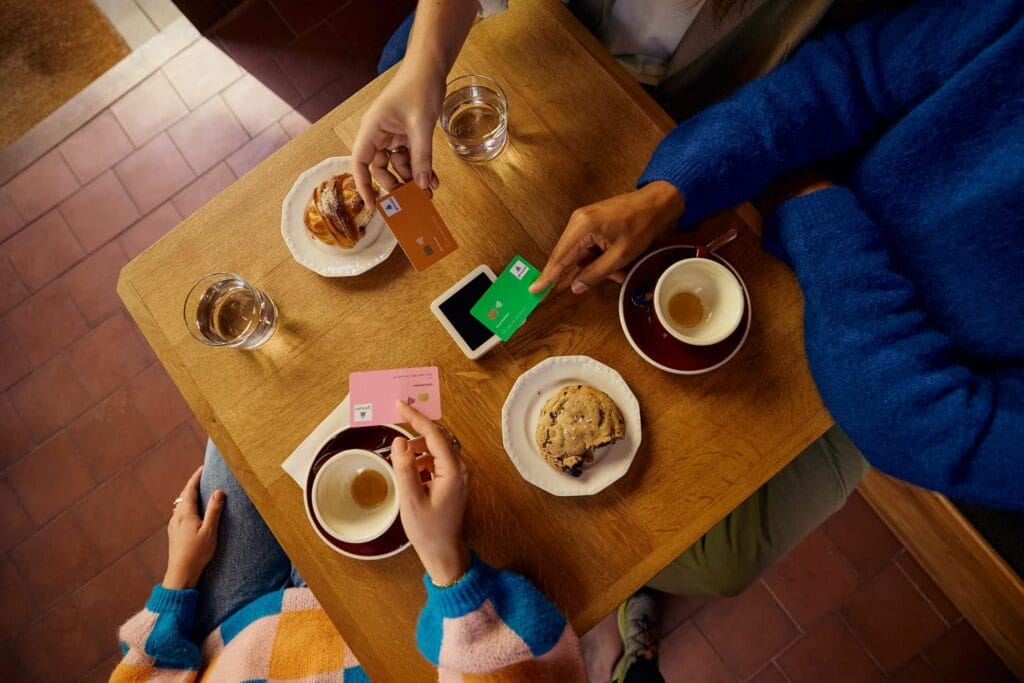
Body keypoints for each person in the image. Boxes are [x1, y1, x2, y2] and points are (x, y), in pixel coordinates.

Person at [112, 402, 589, 681]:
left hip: (228, 633)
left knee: (242, 421)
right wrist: (447, 563)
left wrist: (177, 583)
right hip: (383, 653)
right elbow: (527, 663)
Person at [352, 0, 834, 210]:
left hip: (687, 110)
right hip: (547, 28)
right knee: (393, 67)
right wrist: (422, 70)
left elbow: (816, 99)